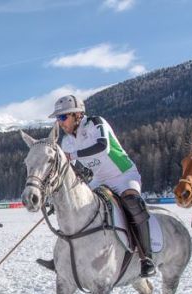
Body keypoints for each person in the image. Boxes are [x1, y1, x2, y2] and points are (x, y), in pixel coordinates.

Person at [50, 94, 156, 277]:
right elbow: (71, 170)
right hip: (100, 179)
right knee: (76, 208)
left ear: (77, 114)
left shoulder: (94, 123)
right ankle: (67, 255)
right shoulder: (67, 141)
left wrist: (73, 156)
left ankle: (146, 258)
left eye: (63, 117)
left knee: (132, 203)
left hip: (123, 174)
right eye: (58, 118)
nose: (60, 123)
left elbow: (103, 146)